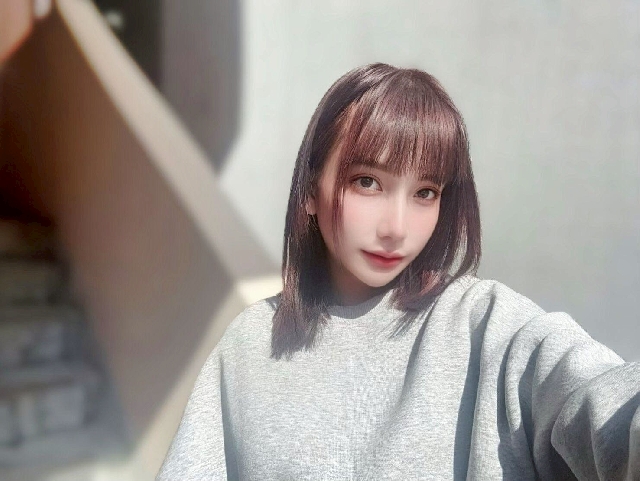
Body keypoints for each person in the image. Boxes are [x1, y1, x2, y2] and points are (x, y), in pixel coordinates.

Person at [157, 63, 640, 480]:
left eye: (425, 192)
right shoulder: (249, 347)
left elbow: (603, 404)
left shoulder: (488, 326)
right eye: (367, 182)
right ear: (309, 191)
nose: (397, 228)